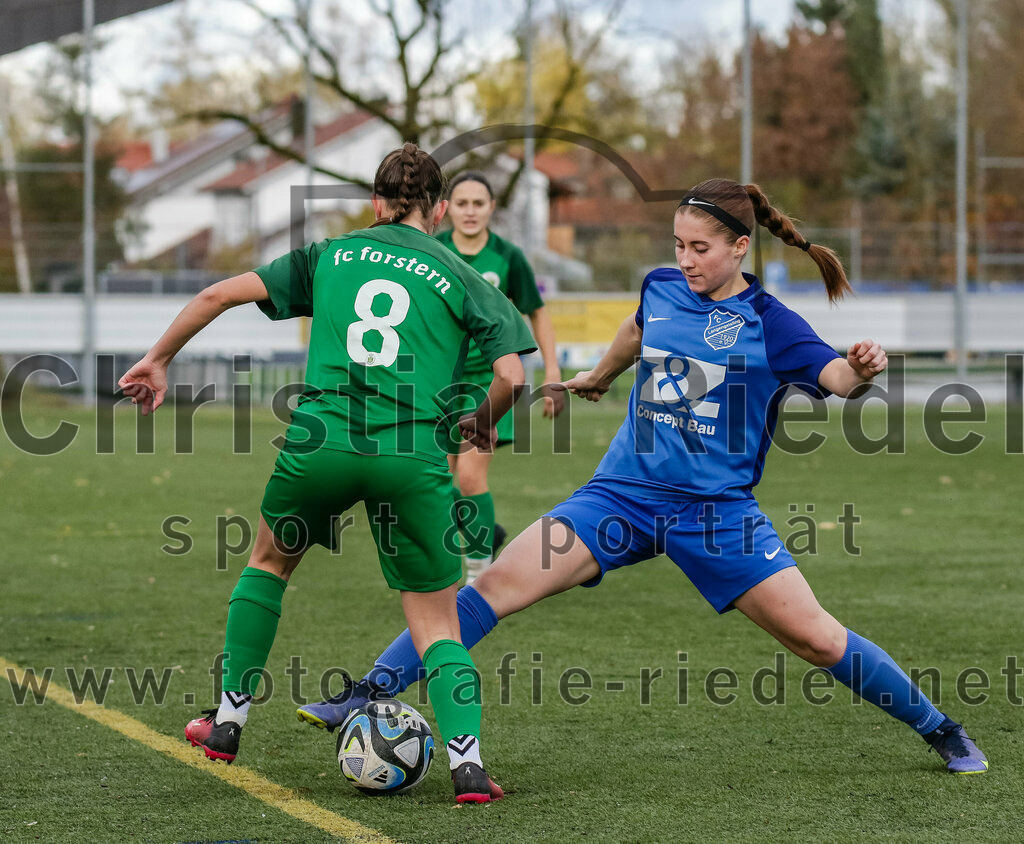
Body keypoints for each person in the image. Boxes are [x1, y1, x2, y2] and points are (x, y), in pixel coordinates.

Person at [294, 178, 989, 776]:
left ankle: (942, 729)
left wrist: (860, 370)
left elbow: (835, 377)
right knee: (496, 584)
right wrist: (599, 374)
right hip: (620, 495)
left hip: (715, 513)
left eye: (701, 248)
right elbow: (638, 327)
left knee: (816, 639)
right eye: (679, 245)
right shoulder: (661, 286)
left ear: (740, 247)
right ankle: (366, 691)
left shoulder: (770, 323)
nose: (684, 260)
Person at [119, 143, 539, 803]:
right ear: (434, 210)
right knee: (436, 624)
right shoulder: (462, 274)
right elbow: (514, 373)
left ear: (375, 204)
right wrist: (484, 421)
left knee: (267, 565)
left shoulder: (329, 255)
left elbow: (216, 292)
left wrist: (157, 358)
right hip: (410, 458)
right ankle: (468, 769)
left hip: (319, 446)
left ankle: (226, 724)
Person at [438, 171, 565, 584]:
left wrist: (552, 370)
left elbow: (537, 311)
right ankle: (486, 533)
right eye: (462, 203)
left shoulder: (508, 257)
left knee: (471, 477)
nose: (470, 211)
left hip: (489, 383)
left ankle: (479, 577)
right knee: (433, 482)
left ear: (492, 208)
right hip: (437, 383)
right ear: (445, 209)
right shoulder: (432, 251)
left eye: (479, 203)